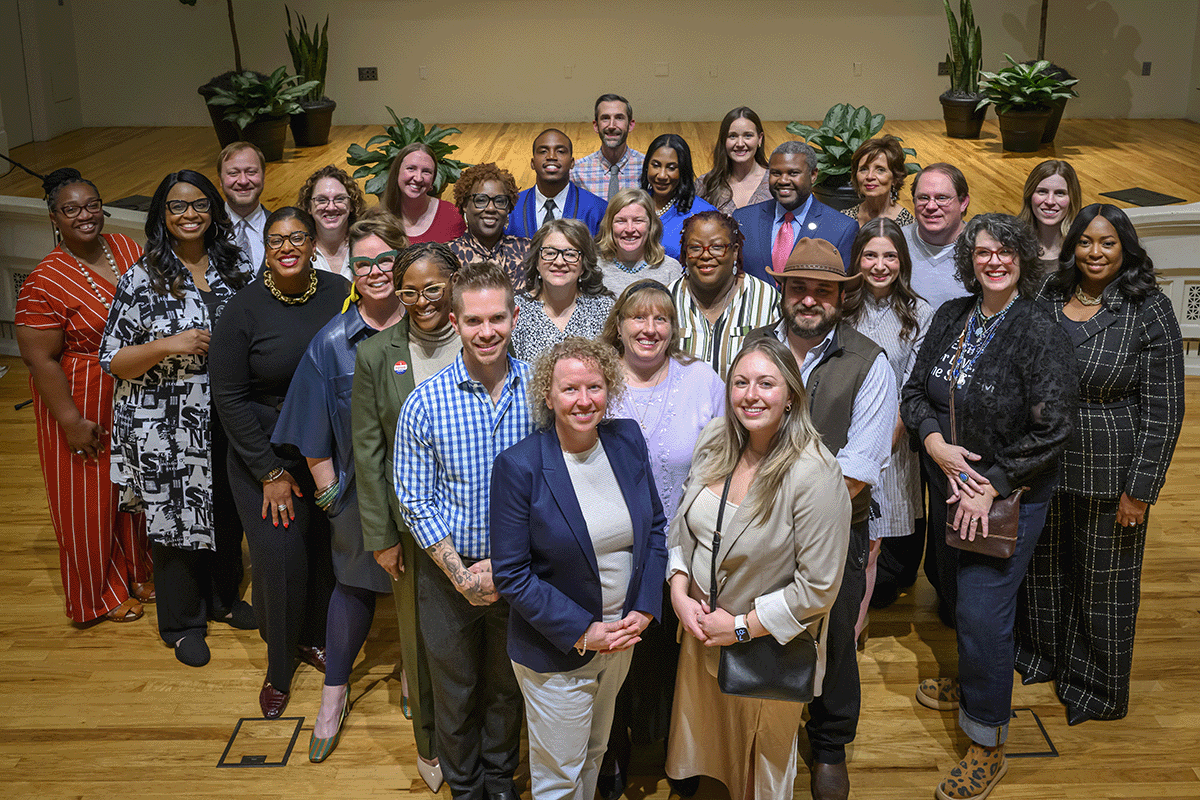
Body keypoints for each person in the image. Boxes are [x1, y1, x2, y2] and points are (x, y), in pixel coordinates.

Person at [901, 213, 1077, 800]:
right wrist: (933, 443)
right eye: (982, 252)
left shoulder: (1039, 331)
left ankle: (987, 740)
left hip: (1007, 499)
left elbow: (1053, 429)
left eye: (1004, 251)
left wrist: (990, 483)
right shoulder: (953, 315)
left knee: (982, 611)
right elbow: (914, 391)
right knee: (954, 593)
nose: (994, 261)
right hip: (948, 488)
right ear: (969, 260)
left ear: (1022, 258)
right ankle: (976, 684)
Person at [1017, 204, 1184, 725]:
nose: (1095, 252)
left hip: (1110, 466)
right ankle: (1042, 656)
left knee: (1103, 582)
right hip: (1045, 459)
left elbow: (1165, 409)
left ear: (1125, 249)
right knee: (1043, 567)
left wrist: (1141, 489)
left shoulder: (1149, 307)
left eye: (1107, 243)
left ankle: (1095, 687)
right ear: (1072, 247)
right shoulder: (1049, 293)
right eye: (1085, 241)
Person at [666, 337, 852, 800]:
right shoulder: (716, 440)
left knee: (755, 767)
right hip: (701, 636)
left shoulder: (815, 472)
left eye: (766, 384)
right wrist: (678, 589)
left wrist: (740, 628)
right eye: (740, 382)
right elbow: (685, 524)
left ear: (790, 395)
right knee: (713, 752)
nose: (751, 395)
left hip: (764, 649)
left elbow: (818, 588)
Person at [491, 337, 668, 800]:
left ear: (609, 388)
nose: (584, 400)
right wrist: (582, 632)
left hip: (620, 640)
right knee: (558, 779)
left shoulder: (626, 440)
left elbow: (654, 528)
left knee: (593, 754)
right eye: (570, 389)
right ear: (548, 396)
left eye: (594, 386)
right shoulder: (520, 466)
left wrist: (645, 607)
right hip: (557, 652)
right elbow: (511, 574)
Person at [751, 237, 895, 800]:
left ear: (841, 297)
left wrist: (789, 511)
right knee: (765, 628)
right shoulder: (756, 347)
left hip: (837, 528)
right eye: (799, 288)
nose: (809, 299)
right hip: (757, 524)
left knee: (833, 639)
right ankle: (766, 731)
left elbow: (859, 467)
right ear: (783, 291)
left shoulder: (868, 361)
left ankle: (830, 743)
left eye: (823, 291)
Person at [98, 170, 253, 665]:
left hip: (225, 414)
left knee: (226, 511)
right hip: (164, 421)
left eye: (200, 204)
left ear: (213, 211)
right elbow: (112, 359)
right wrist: (168, 344)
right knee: (175, 519)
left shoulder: (236, 267)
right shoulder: (142, 277)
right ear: (162, 216)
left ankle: (222, 600)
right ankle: (183, 623)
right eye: (177, 206)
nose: (190, 214)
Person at [394, 260, 534, 800]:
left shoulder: (540, 393)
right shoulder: (424, 403)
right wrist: (461, 574)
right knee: (454, 694)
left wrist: (506, 568)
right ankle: (467, 788)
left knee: (506, 688)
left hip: (521, 572)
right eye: (474, 320)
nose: (486, 331)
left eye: (497, 318)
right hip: (446, 576)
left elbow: (554, 484)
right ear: (455, 322)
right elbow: (414, 498)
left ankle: (500, 781)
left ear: (514, 318)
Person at [271, 216, 408, 762]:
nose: (375, 271)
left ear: (402, 261)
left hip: (430, 489)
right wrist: (330, 495)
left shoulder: (431, 329)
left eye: (385, 260)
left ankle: (414, 677)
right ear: (351, 270)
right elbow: (312, 429)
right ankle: (333, 694)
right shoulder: (332, 342)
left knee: (424, 589)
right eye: (363, 263)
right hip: (358, 492)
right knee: (352, 585)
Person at [210, 207, 345, 717]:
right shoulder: (242, 310)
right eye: (276, 240)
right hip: (264, 454)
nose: (287, 247)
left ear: (313, 244)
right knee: (282, 560)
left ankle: (314, 639)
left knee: (324, 553)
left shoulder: (339, 292)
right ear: (265, 249)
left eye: (297, 238)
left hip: (324, 451)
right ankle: (278, 668)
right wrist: (269, 472)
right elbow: (228, 397)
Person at [597, 280, 725, 800]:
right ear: (619, 324)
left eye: (661, 319)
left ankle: (681, 754)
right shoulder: (598, 377)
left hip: (684, 548)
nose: (649, 329)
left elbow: (725, 457)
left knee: (677, 660)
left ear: (674, 327)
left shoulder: (702, 380)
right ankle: (612, 749)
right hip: (611, 549)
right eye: (638, 317)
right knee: (618, 653)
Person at [16, 168, 152, 625]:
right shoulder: (43, 280)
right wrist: (71, 421)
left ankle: (137, 570)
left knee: (130, 489)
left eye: (92, 205)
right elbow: (40, 360)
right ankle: (97, 594)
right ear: (54, 217)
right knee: (88, 500)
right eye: (71, 209)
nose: (85, 215)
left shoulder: (126, 248)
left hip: (131, 390)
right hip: (81, 395)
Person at [353, 241, 462, 792]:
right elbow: (368, 451)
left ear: (454, 282)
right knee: (419, 642)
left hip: (478, 519)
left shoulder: (482, 337)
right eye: (409, 291)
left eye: (433, 288)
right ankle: (430, 743)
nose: (422, 300)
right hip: (410, 526)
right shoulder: (377, 355)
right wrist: (381, 535)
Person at [841, 219, 933, 641]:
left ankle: (853, 629)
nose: (880, 265)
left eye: (890, 256)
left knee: (872, 545)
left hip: (891, 450)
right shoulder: (841, 306)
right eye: (871, 255)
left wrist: (877, 448)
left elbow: (911, 389)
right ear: (857, 259)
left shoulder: (919, 314)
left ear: (902, 261)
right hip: (840, 441)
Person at [668, 211, 778, 379]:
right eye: (695, 248)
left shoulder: (767, 300)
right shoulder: (667, 299)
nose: (705, 255)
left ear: (735, 252)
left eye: (717, 247)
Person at [734, 141, 858, 283]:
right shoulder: (743, 219)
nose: (783, 180)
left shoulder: (842, 228)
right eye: (776, 173)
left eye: (793, 173)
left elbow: (843, 287)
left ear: (813, 175)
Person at [511, 218, 614, 362]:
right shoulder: (514, 310)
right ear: (536, 262)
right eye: (550, 253)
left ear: (584, 265)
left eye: (570, 254)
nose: (559, 262)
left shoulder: (605, 309)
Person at [508, 129, 607, 238]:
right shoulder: (511, 207)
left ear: (572, 163)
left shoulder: (598, 209)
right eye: (543, 151)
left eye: (560, 151)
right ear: (532, 163)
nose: (551, 157)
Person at [904, 163, 971, 313]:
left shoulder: (983, 250)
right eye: (923, 198)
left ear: (963, 202)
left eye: (942, 198)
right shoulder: (895, 244)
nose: (931, 206)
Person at [448, 162, 529, 287]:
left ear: (508, 207)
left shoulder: (527, 251)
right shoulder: (447, 256)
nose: (491, 208)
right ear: (465, 205)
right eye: (481, 200)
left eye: (500, 201)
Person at [640, 133, 718, 262]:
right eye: (656, 165)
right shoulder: (634, 204)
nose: (662, 175)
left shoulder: (704, 214)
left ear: (683, 170)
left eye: (671, 168)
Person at [595, 188, 682, 295]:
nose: (629, 229)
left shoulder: (670, 269)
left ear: (651, 226)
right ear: (609, 226)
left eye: (638, 221)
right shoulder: (595, 268)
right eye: (621, 221)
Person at [380, 142, 466, 243]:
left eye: (426, 171)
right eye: (411, 169)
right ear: (397, 172)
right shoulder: (379, 221)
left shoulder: (451, 216)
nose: (418, 178)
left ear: (433, 180)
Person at [1016, 159, 1082, 284]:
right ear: (1029, 195)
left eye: (1060, 193)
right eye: (1042, 192)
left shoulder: (1082, 247)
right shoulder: (1012, 243)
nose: (1050, 201)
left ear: (1072, 199)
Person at [297, 164, 369, 278]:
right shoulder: (299, 251)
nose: (331, 207)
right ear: (309, 207)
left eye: (340, 199)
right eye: (321, 200)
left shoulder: (366, 245)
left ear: (352, 205)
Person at [697, 106, 772, 215]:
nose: (740, 143)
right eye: (732, 136)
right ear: (724, 140)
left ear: (760, 138)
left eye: (748, 136)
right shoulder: (705, 185)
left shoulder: (775, 182)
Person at [571, 93, 644, 201]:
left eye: (619, 118)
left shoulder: (646, 167)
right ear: (596, 126)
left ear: (630, 125)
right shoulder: (576, 171)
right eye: (605, 118)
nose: (611, 126)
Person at [841, 135, 916, 228]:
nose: (870, 176)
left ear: (895, 178)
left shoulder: (908, 225)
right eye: (863, 169)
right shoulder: (844, 218)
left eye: (880, 170)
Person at [218, 141, 269, 270]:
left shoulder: (281, 227)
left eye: (251, 172)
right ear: (220, 180)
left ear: (263, 176)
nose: (243, 181)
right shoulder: (207, 230)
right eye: (233, 173)